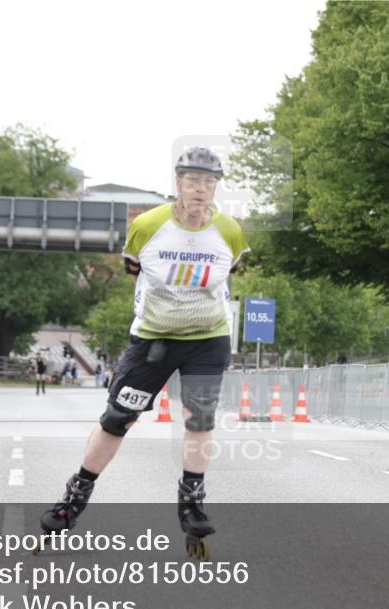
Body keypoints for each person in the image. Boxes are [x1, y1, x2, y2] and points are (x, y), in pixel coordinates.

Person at [40, 147, 249, 558]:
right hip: (154, 338)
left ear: (216, 187)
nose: (200, 190)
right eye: (192, 181)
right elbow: (134, 269)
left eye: (208, 182)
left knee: (200, 418)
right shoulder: (148, 227)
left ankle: (191, 503)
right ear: (178, 183)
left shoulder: (230, 232)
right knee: (119, 418)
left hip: (208, 339)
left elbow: (230, 275)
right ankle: (74, 497)